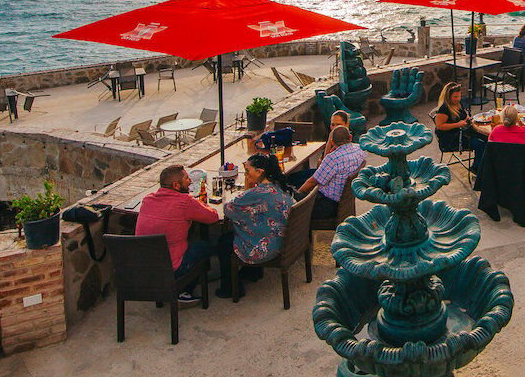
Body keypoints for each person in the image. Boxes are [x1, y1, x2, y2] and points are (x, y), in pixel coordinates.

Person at [135, 164, 223, 303]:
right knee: (204, 246)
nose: (190, 181)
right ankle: (183, 291)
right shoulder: (185, 202)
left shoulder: (148, 199)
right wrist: (198, 202)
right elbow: (213, 217)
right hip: (172, 269)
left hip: (146, 267)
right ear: (176, 185)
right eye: (187, 178)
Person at [215, 153, 294, 297]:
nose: (246, 175)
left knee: (223, 242)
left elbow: (229, 209)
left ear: (260, 172)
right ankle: (252, 273)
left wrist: (247, 188)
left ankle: (231, 289)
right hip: (282, 241)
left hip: (266, 248)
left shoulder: (256, 194)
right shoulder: (278, 186)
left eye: (247, 171)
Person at [295, 125, 366, 221]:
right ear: (350, 137)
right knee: (301, 177)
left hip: (328, 205)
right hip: (342, 200)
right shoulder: (360, 150)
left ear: (332, 142)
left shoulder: (333, 158)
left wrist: (296, 197)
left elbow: (312, 182)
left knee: (297, 189)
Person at [432, 82, 473, 155]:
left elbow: (464, 116)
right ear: (448, 97)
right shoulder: (444, 109)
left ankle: (480, 163)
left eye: (459, 96)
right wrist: (458, 124)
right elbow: (439, 126)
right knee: (480, 143)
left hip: (461, 133)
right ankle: (477, 165)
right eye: (455, 97)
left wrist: (467, 119)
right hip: (451, 139)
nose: (458, 99)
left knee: (486, 138)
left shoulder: (458, 103)